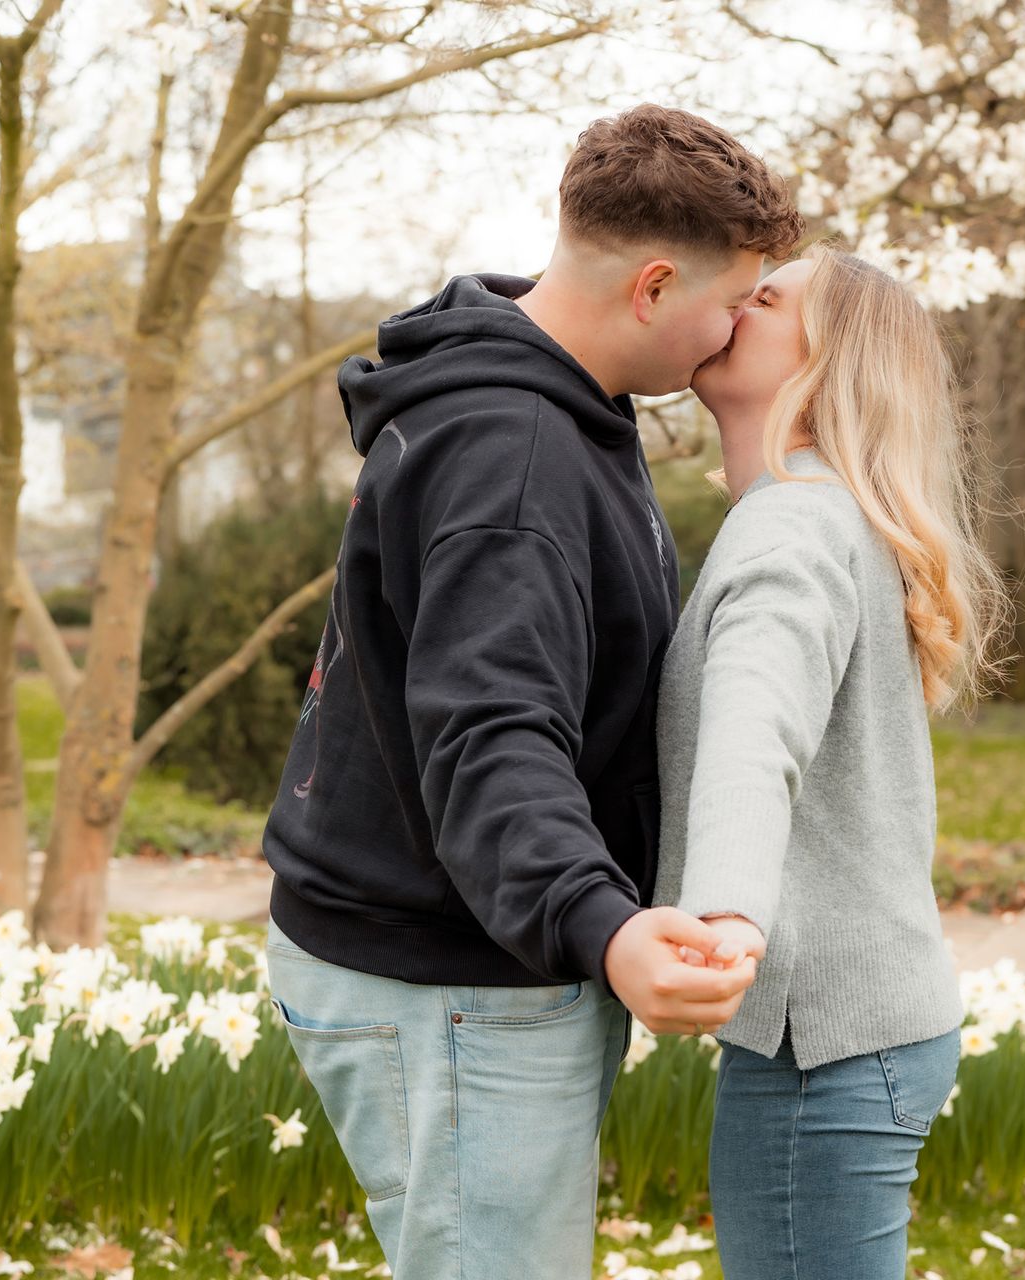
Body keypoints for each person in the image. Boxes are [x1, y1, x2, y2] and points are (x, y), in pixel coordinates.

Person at [260, 105, 803, 1277]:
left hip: (450, 951)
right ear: (654, 284)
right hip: (448, 981)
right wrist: (604, 928)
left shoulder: (536, 396)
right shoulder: (516, 454)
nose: (728, 335)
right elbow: (489, 732)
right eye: (729, 302)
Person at [655, 245, 1007, 1279]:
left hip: (828, 1049)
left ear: (827, 369)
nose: (729, 306)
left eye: (764, 300)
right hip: (858, 1029)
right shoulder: (830, 516)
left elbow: (752, 738)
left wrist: (723, 916)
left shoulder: (793, 524)